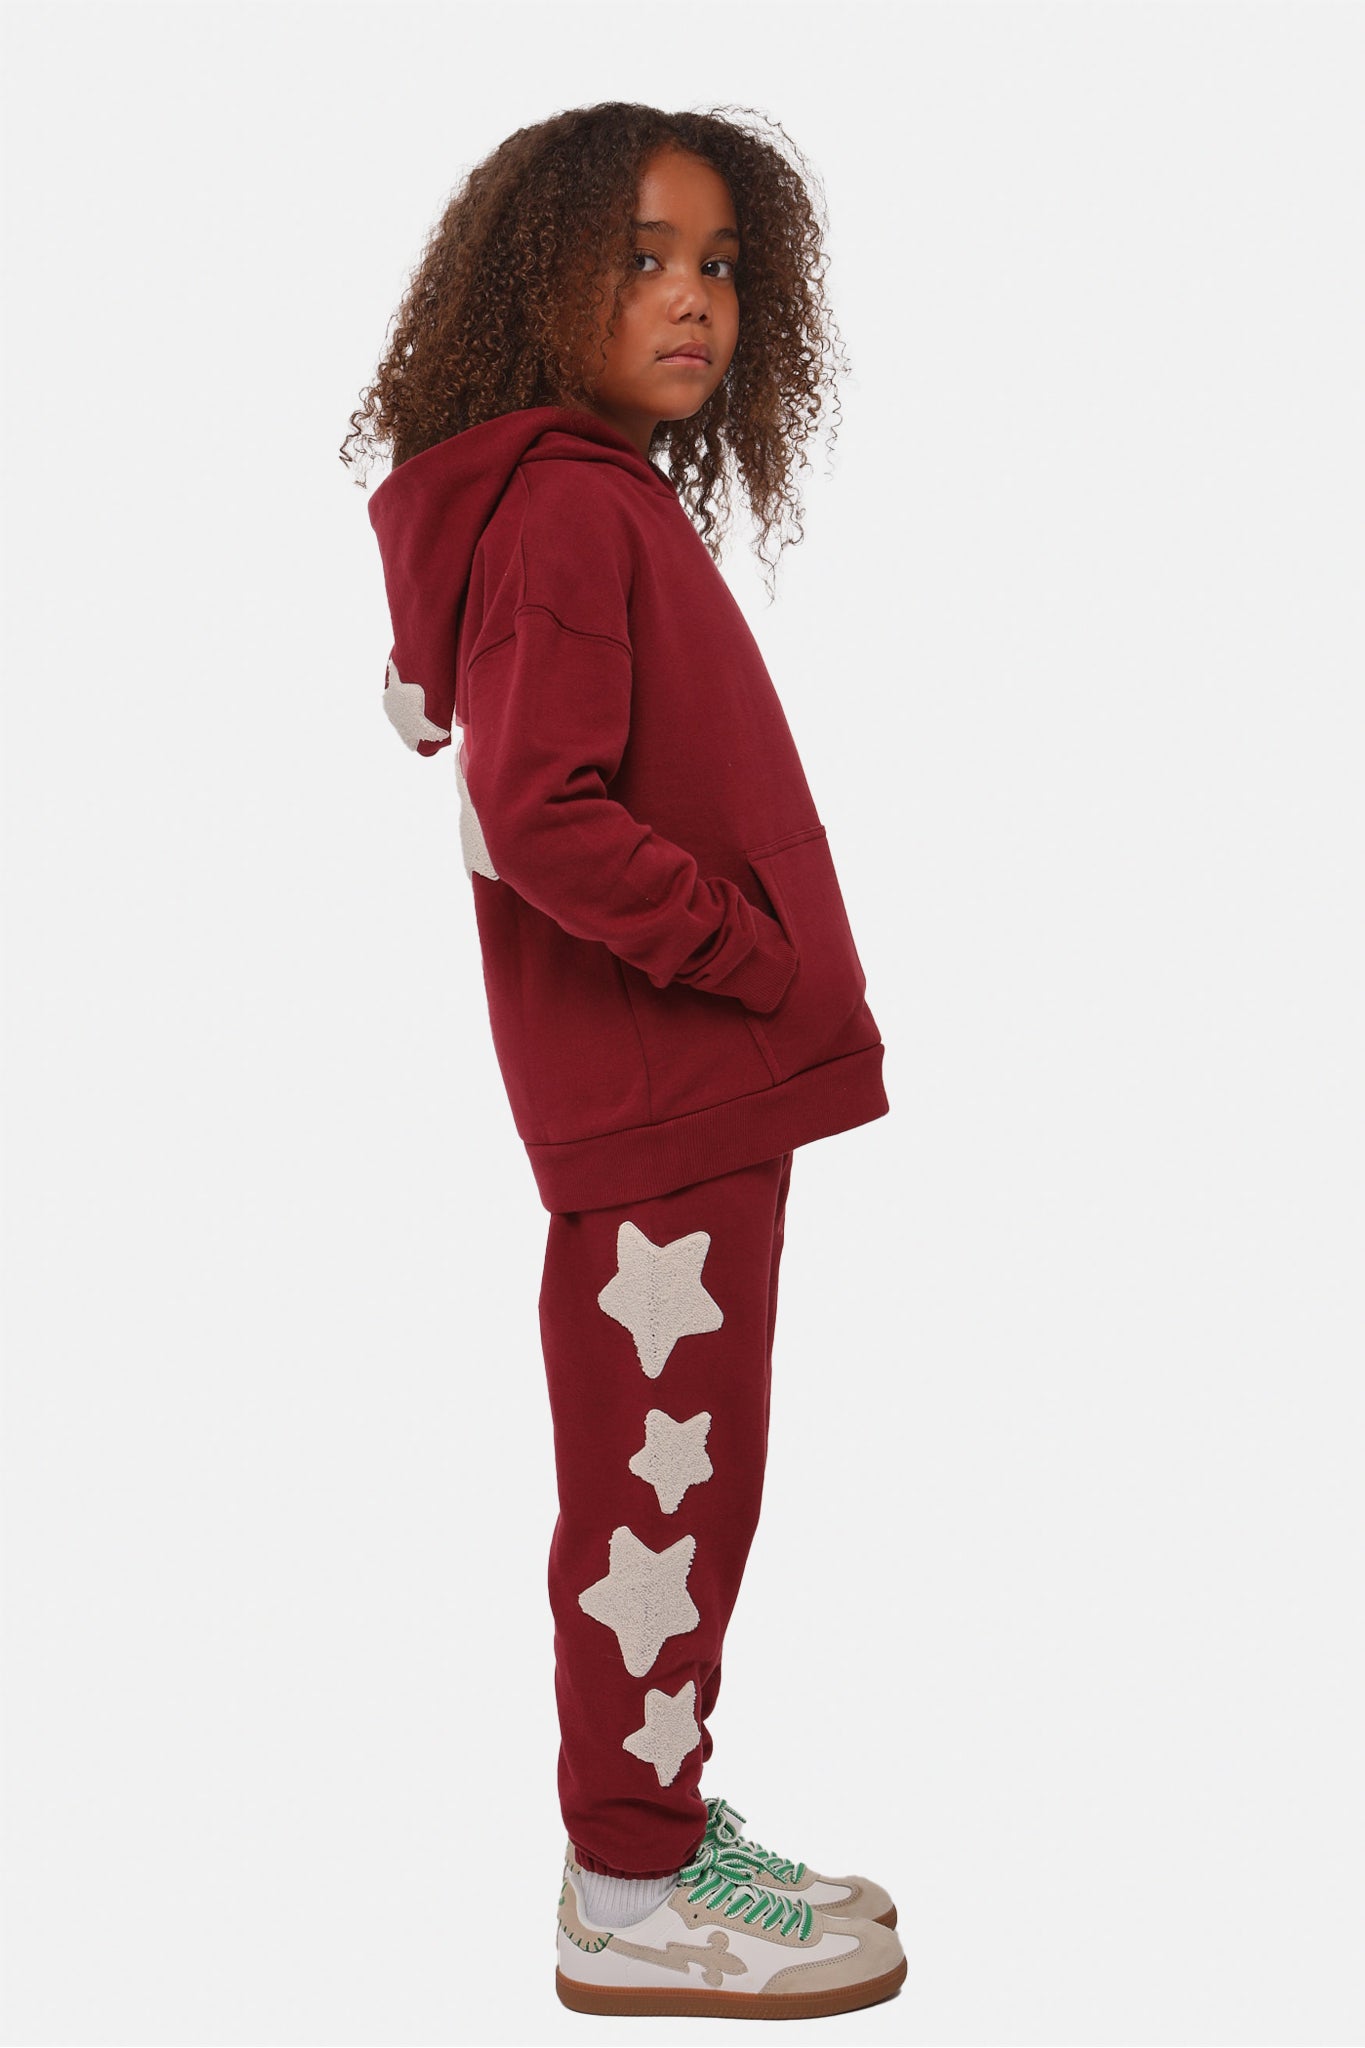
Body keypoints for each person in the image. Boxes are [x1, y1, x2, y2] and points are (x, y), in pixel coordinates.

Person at [343, 100, 904, 2022]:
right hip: (664, 1100)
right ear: (534, 286)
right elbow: (541, 810)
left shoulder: (576, 498)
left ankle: (652, 1829)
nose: (693, 300)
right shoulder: (570, 508)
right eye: (640, 258)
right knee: (659, 1502)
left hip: (676, 1104)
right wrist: (744, 954)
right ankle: (630, 1885)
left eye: (719, 264)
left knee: (680, 1484)